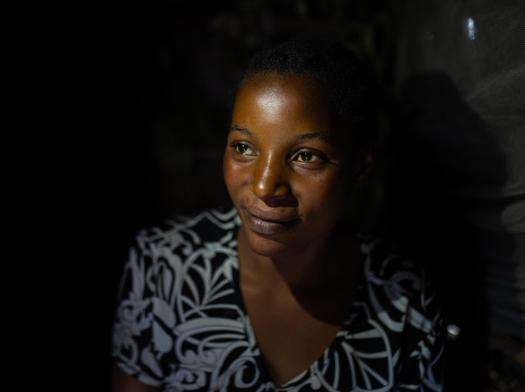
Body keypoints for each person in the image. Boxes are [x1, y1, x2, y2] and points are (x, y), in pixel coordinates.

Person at [111, 36, 446, 391]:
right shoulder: (165, 266)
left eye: (305, 156)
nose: (264, 186)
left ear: (360, 167)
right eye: (243, 147)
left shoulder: (404, 304)